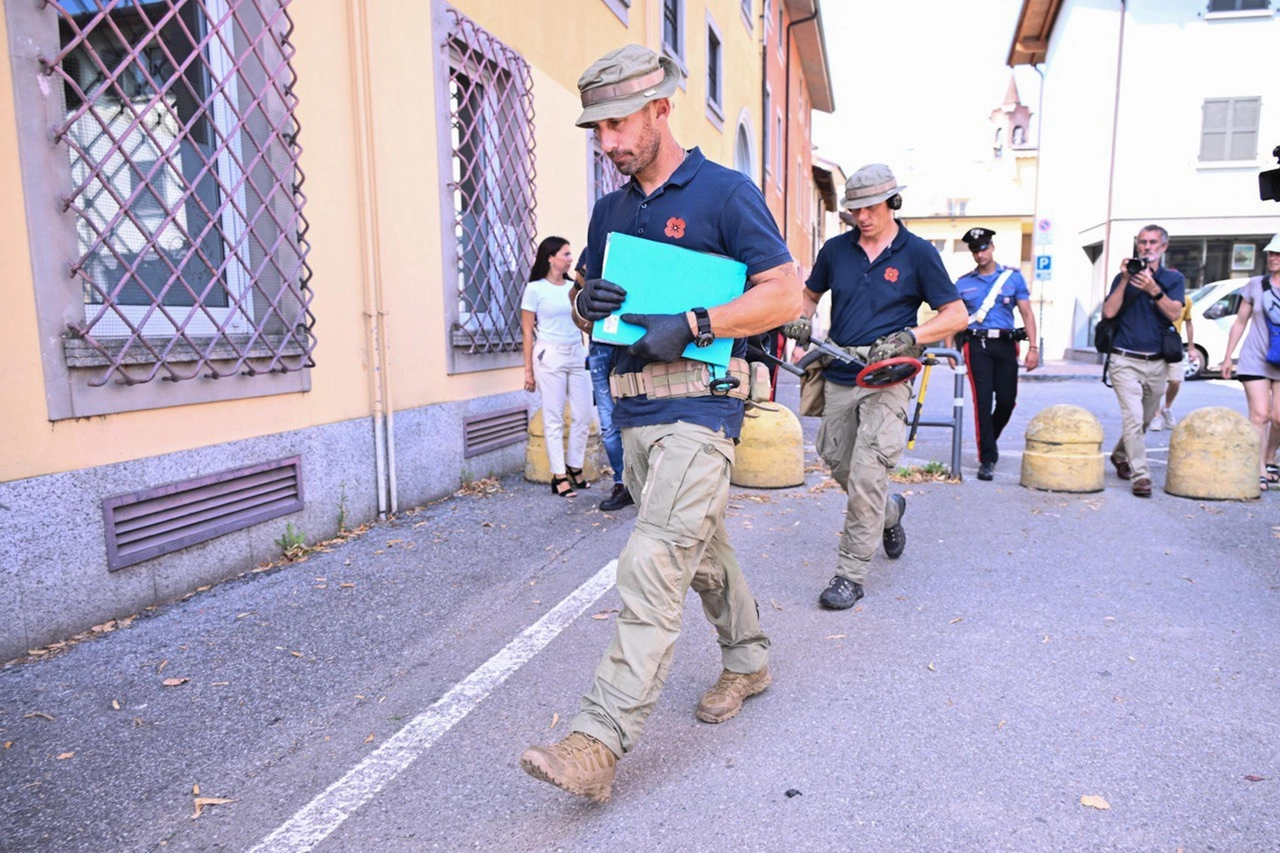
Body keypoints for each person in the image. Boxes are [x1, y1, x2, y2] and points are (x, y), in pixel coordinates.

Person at [519, 44, 802, 802]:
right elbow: (586, 307)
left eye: (617, 125)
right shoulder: (610, 210)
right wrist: (587, 306)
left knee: (652, 561)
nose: (607, 144)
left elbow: (786, 295)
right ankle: (748, 659)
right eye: (596, 131)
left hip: (702, 406)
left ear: (661, 108)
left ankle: (597, 741)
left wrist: (697, 320)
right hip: (635, 410)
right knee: (700, 550)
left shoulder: (724, 192)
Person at [783, 164, 967, 610]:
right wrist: (803, 320)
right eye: (855, 210)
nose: (862, 217)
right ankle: (890, 511)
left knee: (868, 473)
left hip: (890, 375)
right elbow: (809, 295)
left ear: (892, 203)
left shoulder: (918, 253)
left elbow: (956, 314)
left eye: (870, 207)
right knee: (838, 461)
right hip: (840, 371)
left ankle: (849, 575)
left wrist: (912, 336)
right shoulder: (835, 250)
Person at [1100, 224, 1186, 498]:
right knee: (1134, 418)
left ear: (1163, 247)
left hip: (1157, 362)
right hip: (1124, 360)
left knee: (1147, 418)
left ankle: (1120, 454)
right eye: (1142, 242)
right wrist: (1125, 280)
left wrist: (1153, 289)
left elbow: (1174, 313)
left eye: (1152, 242)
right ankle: (1141, 476)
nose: (1146, 247)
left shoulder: (1172, 279)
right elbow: (1109, 312)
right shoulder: (1123, 276)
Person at [952, 227, 1039, 481]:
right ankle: (987, 458)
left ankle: (989, 438)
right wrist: (949, 349)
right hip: (976, 346)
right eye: (975, 250)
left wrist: (1033, 347)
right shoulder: (963, 283)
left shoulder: (1012, 278)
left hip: (1005, 344)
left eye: (983, 248)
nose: (980, 254)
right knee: (982, 403)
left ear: (991, 247)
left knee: (1006, 401)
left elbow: (1027, 314)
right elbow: (953, 316)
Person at [521, 237, 593, 498]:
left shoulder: (576, 287)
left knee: (584, 414)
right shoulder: (535, 289)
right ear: (550, 258)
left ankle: (575, 466)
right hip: (549, 355)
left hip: (576, 353)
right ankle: (558, 475)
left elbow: (585, 320)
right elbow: (527, 332)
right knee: (553, 418)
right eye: (565, 254)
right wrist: (528, 371)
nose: (570, 258)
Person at [1220, 232, 1280, 491]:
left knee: (1279, 418)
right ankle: (1259, 469)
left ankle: (1270, 457)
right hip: (1254, 358)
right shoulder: (1256, 284)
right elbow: (1240, 321)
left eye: (1278, 254)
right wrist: (1227, 356)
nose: (1273, 258)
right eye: (1271, 253)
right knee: (1260, 415)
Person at [578, 252, 634, 512]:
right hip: (601, 341)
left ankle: (643, 481)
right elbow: (580, 282)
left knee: (641, 417)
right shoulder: (597, 245)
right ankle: (623, 483)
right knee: (609, 423)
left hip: (634, 338)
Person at [1150, 288, 1194, 431]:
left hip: (1173, 344)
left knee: (1175, 381)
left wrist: (1191, 347)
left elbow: (1189, 323)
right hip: (1155, 343)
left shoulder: (1185, 300)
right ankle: (1155, 416)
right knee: (1157, 383)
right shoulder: (1155, 296)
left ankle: (1166, 408)